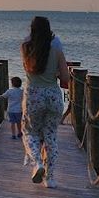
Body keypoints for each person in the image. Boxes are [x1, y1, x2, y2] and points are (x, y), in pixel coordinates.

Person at [21, 16, 69, 188]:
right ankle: (50, 179)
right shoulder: (57, 48)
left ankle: (37, 163)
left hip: (34, 95)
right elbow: (65, 77)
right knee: (50, 137)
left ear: (32, 29)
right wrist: (55, 72)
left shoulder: (26, 46)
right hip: (53, 97)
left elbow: (30, 69)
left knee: (29, 132)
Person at [0, 75, 24, 144]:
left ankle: (13, 134)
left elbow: (3, 96)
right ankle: (19, 132)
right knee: (19, 122)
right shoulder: (21, 91)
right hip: (19, 110)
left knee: (12, 123)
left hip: (11, 110)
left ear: (12, 83)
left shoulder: (9, 91)